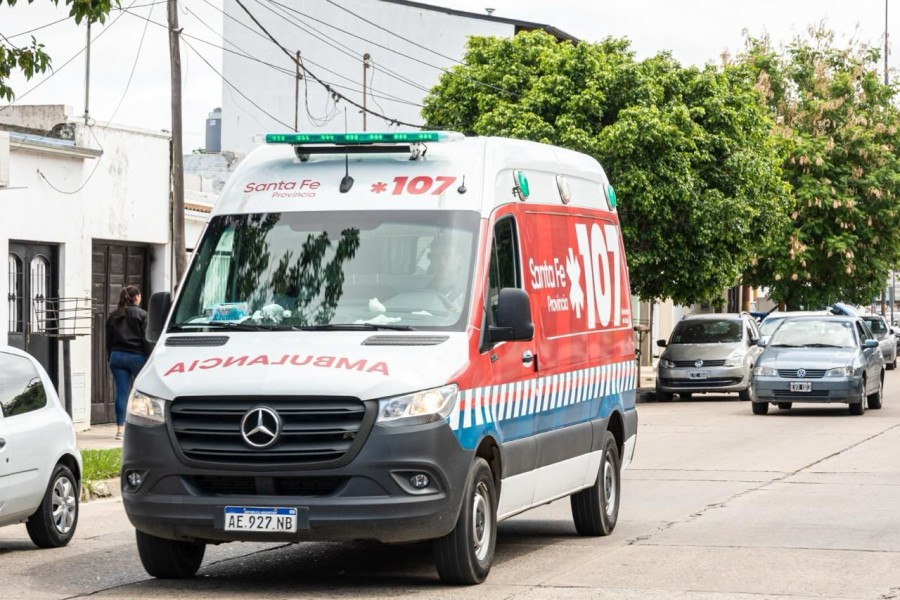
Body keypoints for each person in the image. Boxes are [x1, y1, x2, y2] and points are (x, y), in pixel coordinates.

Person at [106, 285, 150, 440]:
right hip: (138, 357)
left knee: (121, 393)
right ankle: (145, 427)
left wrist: (111, 356)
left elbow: (108, 340)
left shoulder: (113, 315)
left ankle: (120, 430)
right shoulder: (143, 315)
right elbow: (147, 340)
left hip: (117, 356)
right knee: (145, 392)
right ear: (136, 297)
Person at [426, 234, 466, 309]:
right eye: (436, 257)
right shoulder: (424, 293)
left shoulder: (468, 296)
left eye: (447, 256)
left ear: (459, 260)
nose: (441, 262)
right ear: (431, 261)